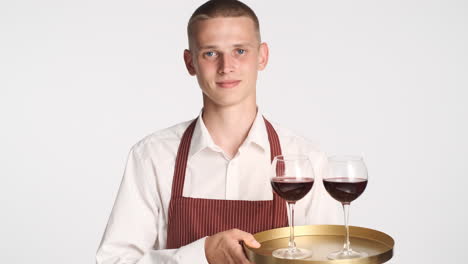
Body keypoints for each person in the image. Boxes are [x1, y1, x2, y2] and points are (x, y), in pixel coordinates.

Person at [96, 1, 338, 263]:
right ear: (190, 63)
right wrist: (202, 254)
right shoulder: (152, 155)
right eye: (211, 53)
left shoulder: (306, 158)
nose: (226, 66)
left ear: (262, 56)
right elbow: (114, 260)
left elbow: (329, 258)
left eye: (240, 51)